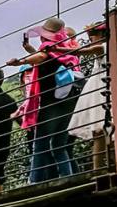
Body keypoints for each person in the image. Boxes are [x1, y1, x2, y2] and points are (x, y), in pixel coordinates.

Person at [7, 17, 80, 183]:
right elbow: (46, 56)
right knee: (59, 146)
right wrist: (29, 50)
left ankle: (34, 183)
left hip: (51, 103)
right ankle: (70, 180)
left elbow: (41, 57)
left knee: (40, 145)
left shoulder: (47, 49)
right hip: (68, 103)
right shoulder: (65, 50)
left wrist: (20, 61)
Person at [68, 22, 117, 170]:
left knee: (99, 133)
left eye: (94, 35)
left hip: (101, 94)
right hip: (111, 92)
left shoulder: (104, 47)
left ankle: (98, 170)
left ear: (101, 36)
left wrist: (57, 48)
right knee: (114, 134)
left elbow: (81, 51)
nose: (91, 38)